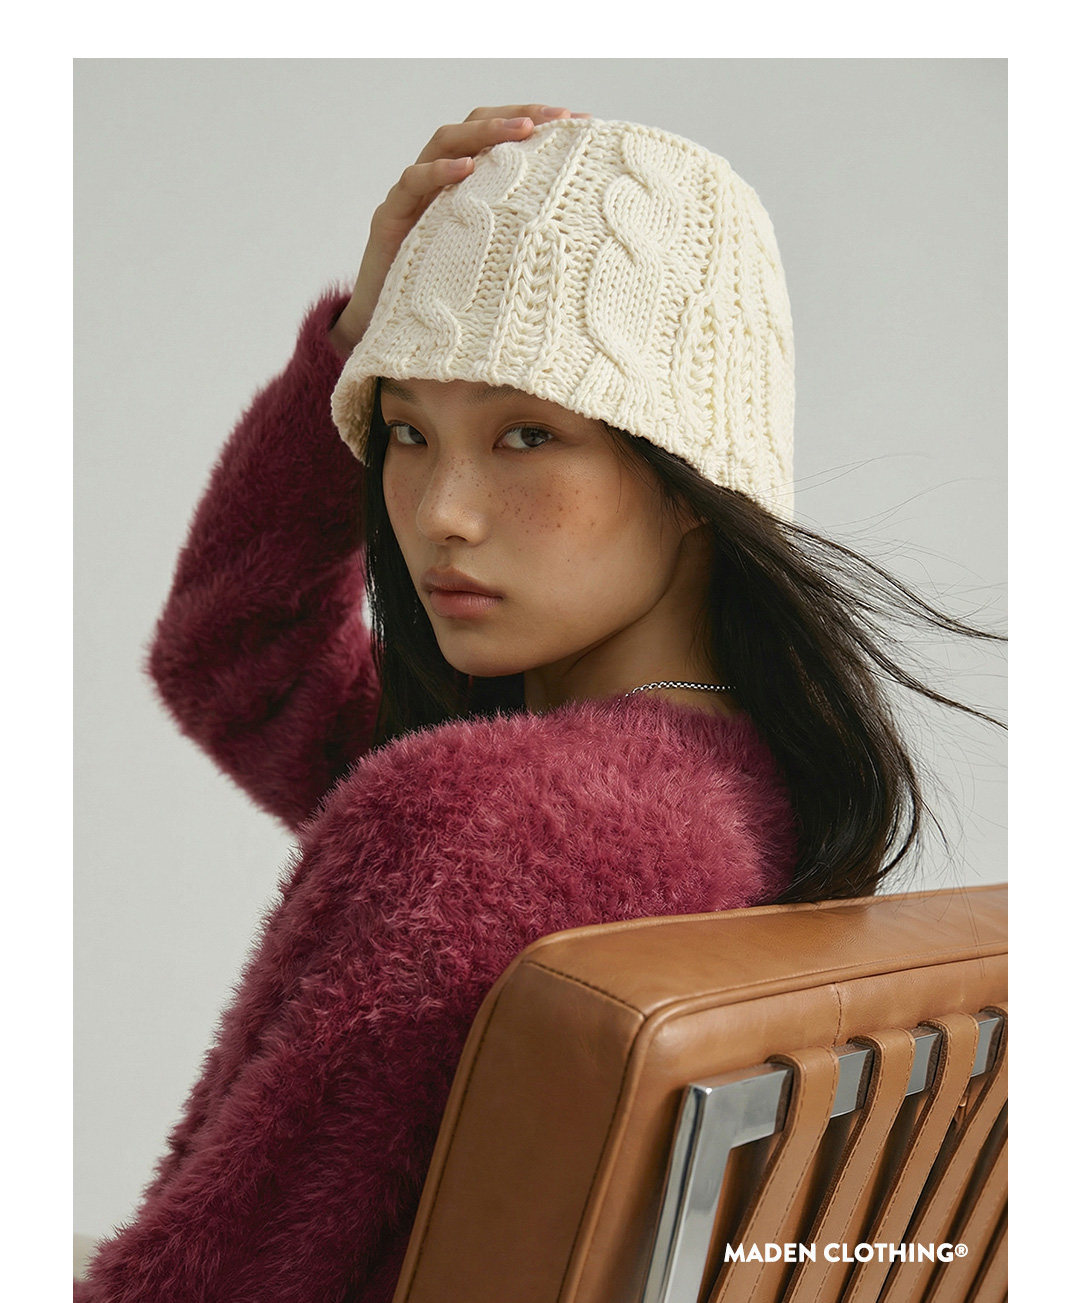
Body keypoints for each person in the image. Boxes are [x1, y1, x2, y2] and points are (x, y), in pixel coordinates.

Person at [76, 105, 1002, 1302]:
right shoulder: (757, 789)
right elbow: (235, 663)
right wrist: (353, 346)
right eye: (404, 431)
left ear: (688, 479)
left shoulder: (489, 821)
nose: (441, 510)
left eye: (525, 434)